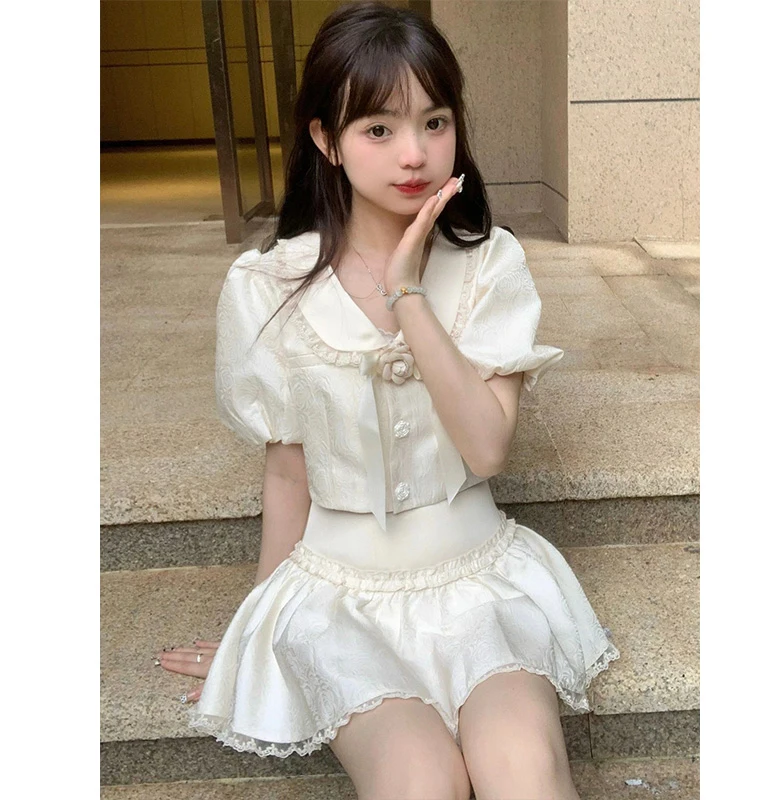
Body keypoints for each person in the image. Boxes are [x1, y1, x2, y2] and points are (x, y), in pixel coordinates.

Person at [156, 3, 619, 798]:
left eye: (435, 123)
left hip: (479, 583)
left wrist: (408, 294)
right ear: (325, 139)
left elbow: (487, 449)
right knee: (419, 780)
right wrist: (252, 632)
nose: (415, 154)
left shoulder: (489, 266)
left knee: (525, 771)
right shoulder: (268, 287)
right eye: (379, 129)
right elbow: (288, 473)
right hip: (340, 600)